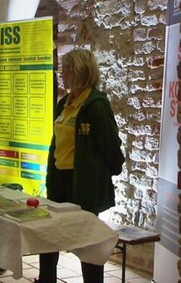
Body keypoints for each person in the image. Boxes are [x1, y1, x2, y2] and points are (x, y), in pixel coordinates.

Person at [35, 49, 125, 283]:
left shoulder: (96, 105)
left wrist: (104, 174)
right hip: (60, 181)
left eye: (64, 69)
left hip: (83, 183)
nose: (60, 74)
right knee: (50, 233)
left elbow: (111, 147)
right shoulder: (65, 102)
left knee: (87, 241)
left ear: (79, 72)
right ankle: (46, 279)